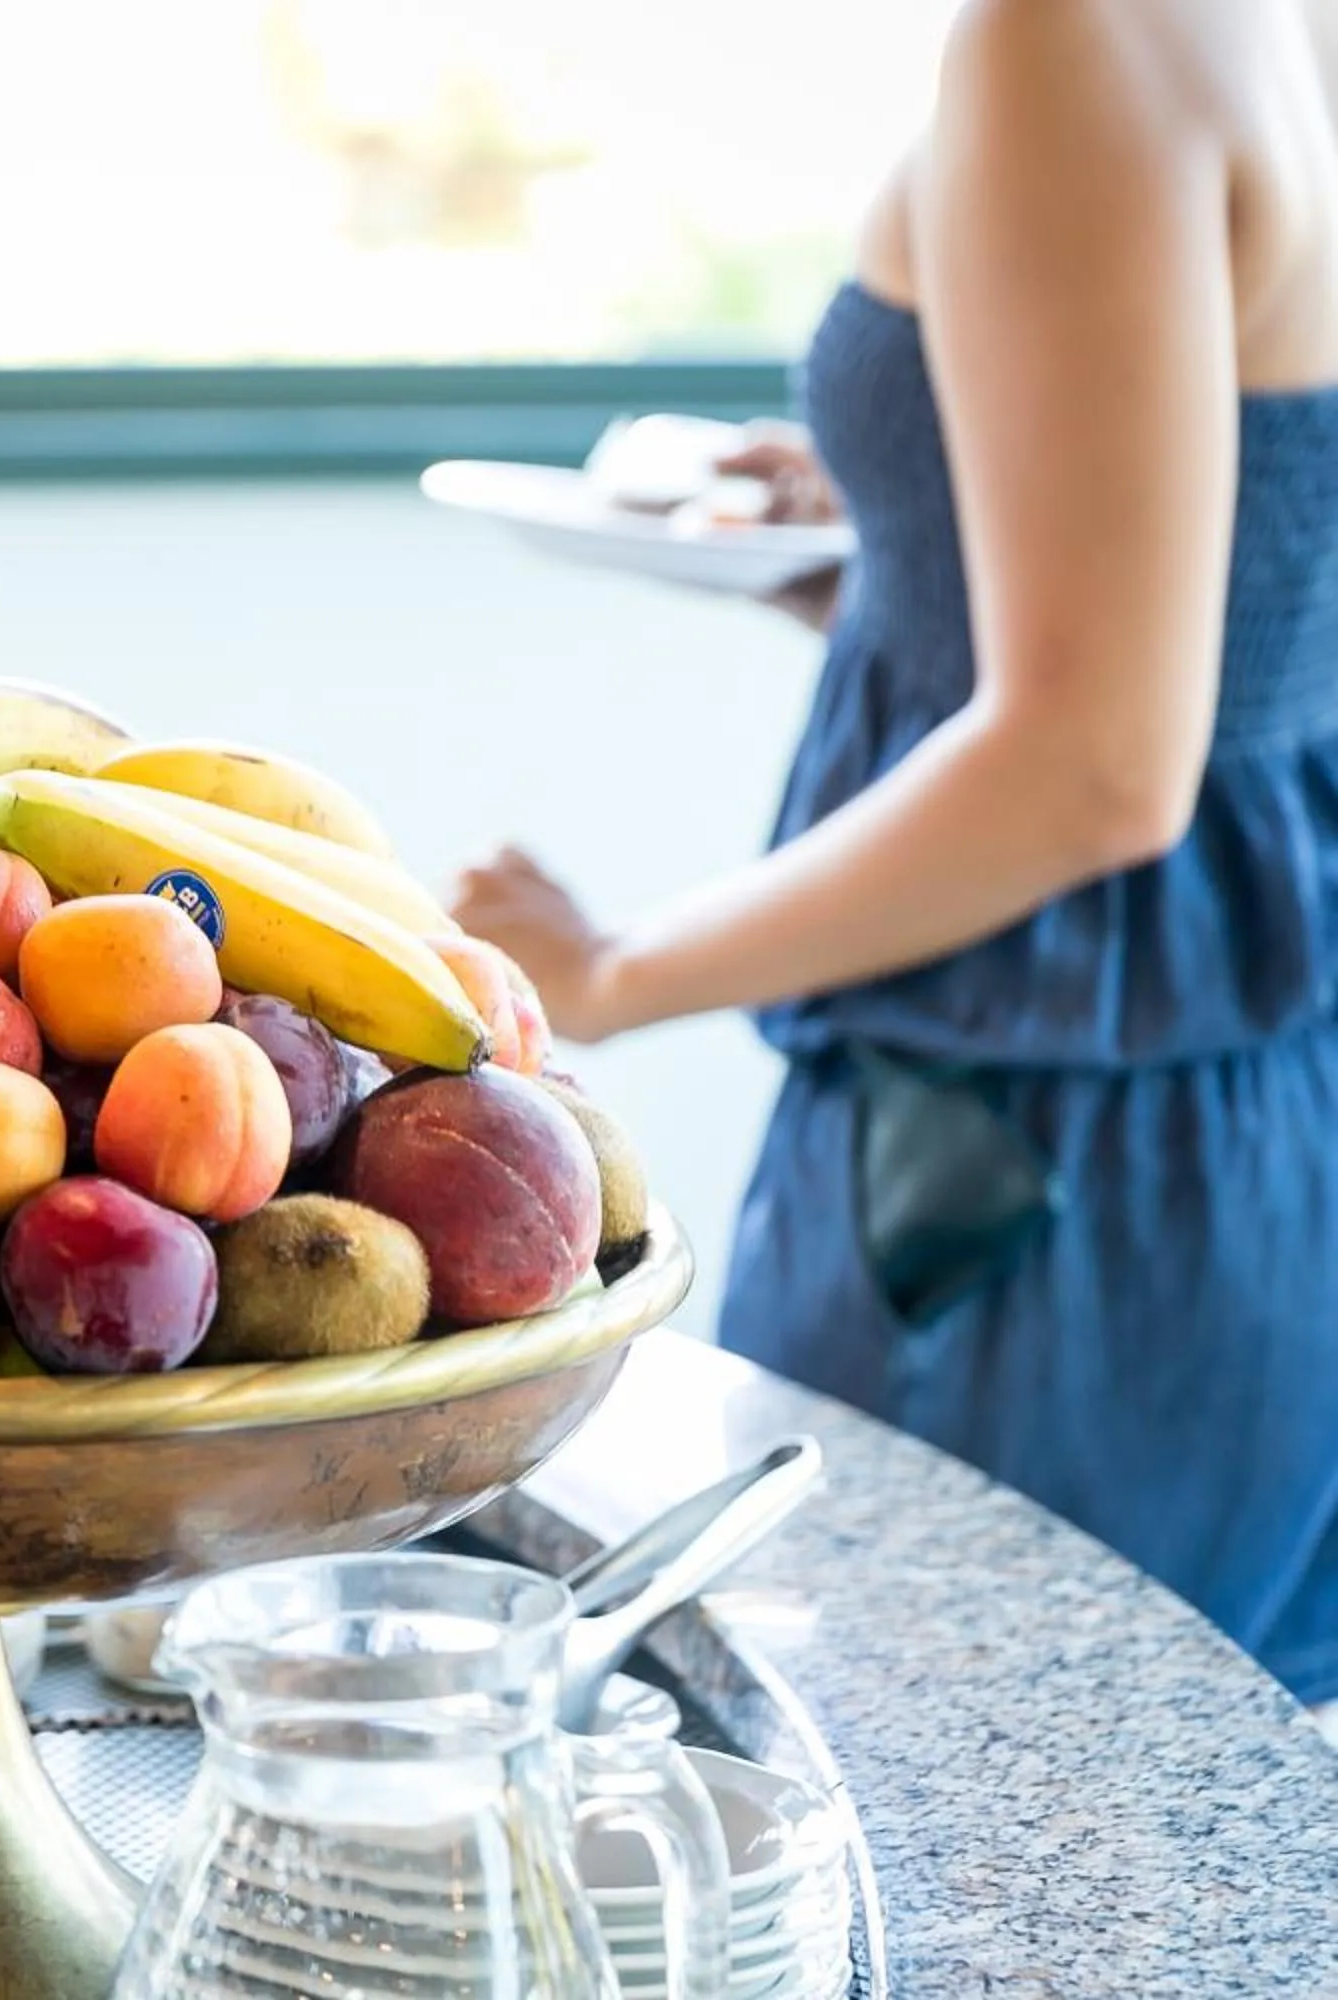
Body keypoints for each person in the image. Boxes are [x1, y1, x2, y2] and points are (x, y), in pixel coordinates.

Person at [454, 0, 1338, 1707]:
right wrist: (917, 551)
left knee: (976, 1848)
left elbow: (1099, 770)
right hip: (1252, 1142)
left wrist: (607, 975)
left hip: (1019, 1189)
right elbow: (1252, 611)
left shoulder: (1075, 34)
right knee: (1200, 1837)